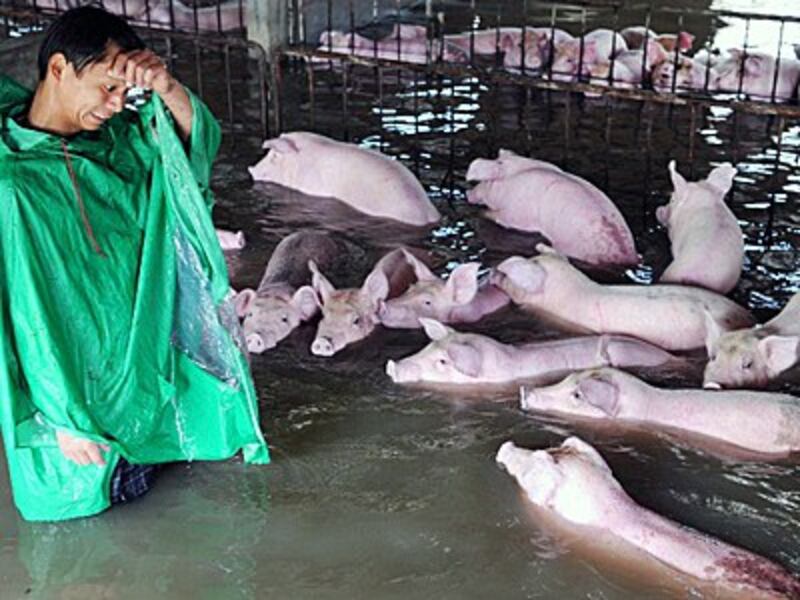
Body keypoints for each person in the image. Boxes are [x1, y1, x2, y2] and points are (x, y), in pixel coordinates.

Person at [0, 6, 269, 522]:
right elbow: (24, 316)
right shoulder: (17, 185)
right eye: (107, 87)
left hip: (136, 379)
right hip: (71, 411)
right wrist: (61, 417)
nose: (117, 102)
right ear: (58, 69)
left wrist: (166, 88)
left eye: (125, 91)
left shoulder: (121, 145)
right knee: (89, 514)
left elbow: (191, 154)